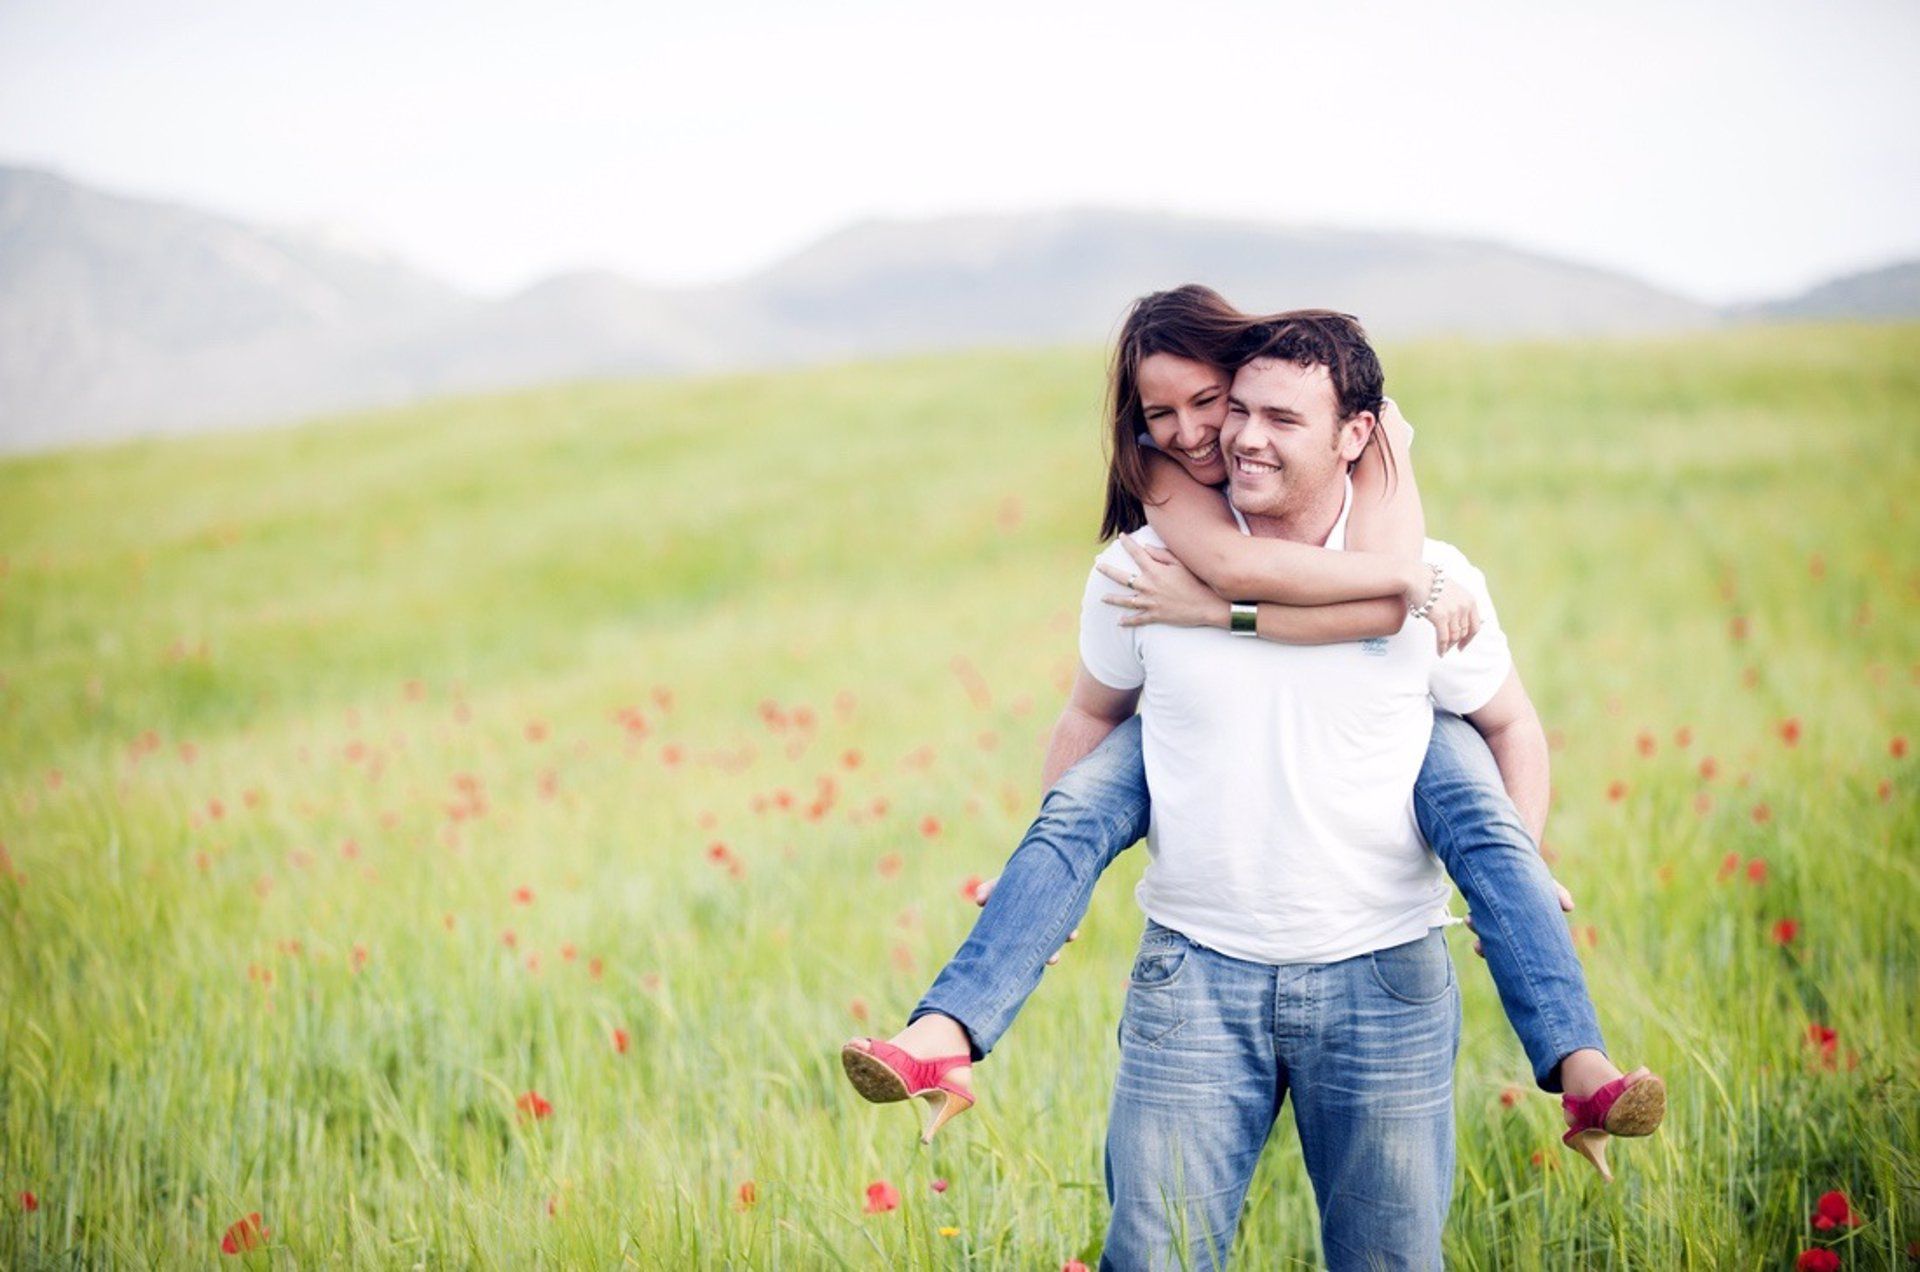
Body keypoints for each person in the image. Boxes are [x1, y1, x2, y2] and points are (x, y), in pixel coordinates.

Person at [840, 290, 1663, 1192]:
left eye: (1233, 406)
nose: (1212, 434)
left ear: (1350, 431)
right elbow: (1099, 706)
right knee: (1078, 813)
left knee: (1479, 803)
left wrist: (1524, 867)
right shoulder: (1149, 550)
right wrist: (1047, 871)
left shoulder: (1423, 551)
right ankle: (943, 1036)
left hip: (1383, 969)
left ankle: (1581, 1065)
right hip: (1194, 969)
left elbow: (1454, 674)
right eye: (1195, 413)